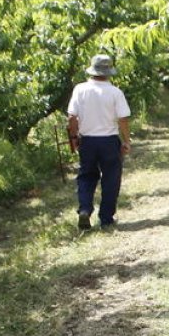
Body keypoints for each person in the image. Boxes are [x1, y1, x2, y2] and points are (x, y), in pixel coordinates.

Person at [67, 54, 132, 230]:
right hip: (109, 141)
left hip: (87, 141)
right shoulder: (115, 92)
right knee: (111, 178)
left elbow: (72, 117)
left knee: (86, 176)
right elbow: (123, 119)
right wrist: (126, 141)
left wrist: (74, 137)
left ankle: (85, 209)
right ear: (109, 72)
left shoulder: (80, 89)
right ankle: (106, 218)